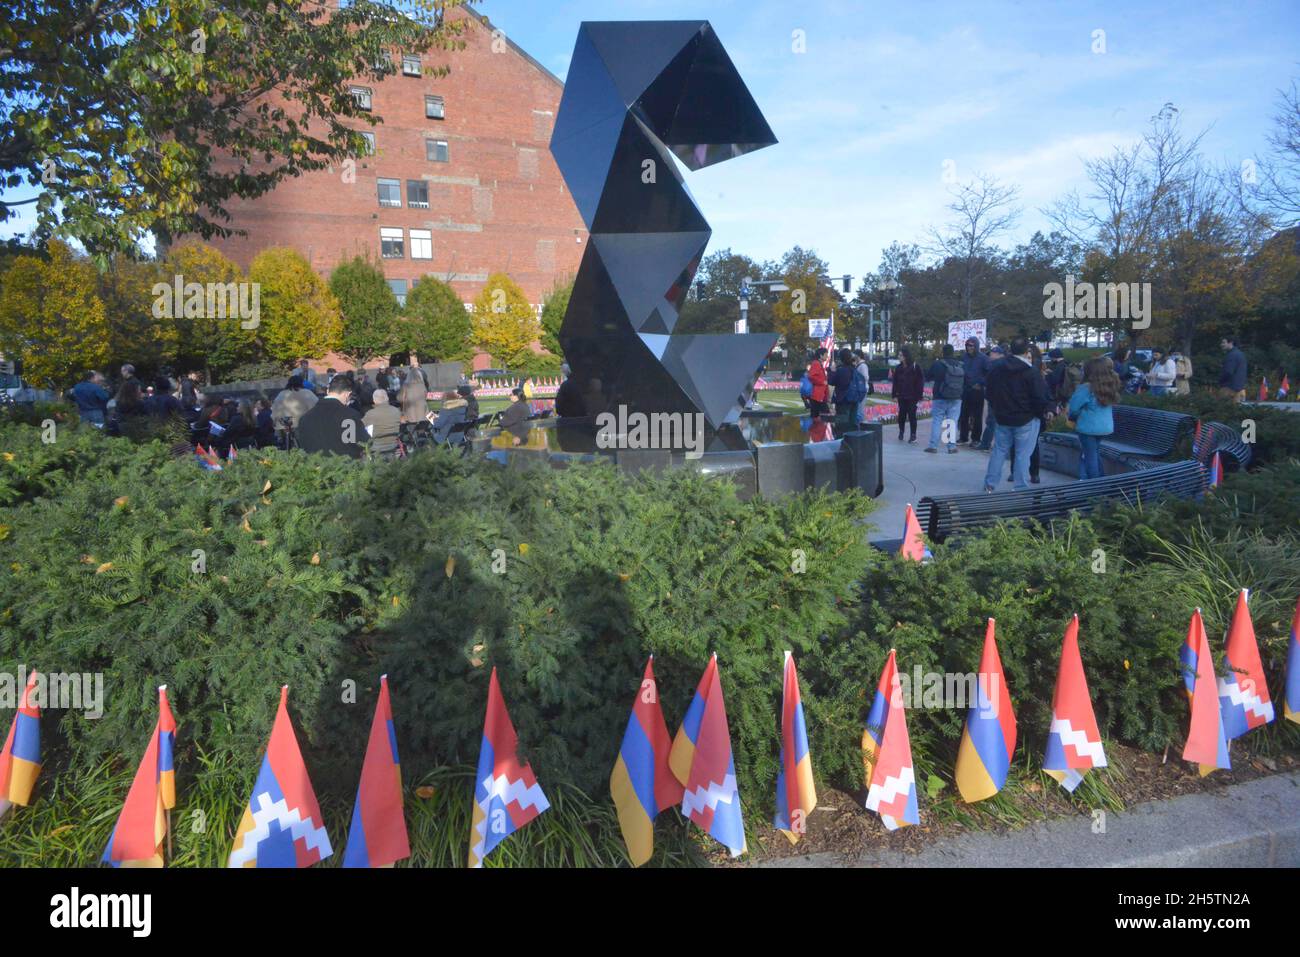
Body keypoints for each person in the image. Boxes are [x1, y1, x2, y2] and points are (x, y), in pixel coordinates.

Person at [983, 337, 1050, 492]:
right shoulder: (1031, 372)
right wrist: (1039, 414)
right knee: (1022, 455)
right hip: (1026, 419)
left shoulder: (997, 369)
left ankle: (989, 484)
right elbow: (1040, 397)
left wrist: (997, 408)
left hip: (1003, 417)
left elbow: (990, 391)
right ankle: (1020, 488)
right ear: (1027, 352)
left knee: (999, 452)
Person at [1068, 356, 1121, 480]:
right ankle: (1101, 480)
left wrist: (1073, 417)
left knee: (1090, 456)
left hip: (1088, 428)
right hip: (1105, 427)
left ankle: (1095, 487)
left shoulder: (1086, 388)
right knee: (1095, 454)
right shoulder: (1109, 385)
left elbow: (1074, 407)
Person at [296, 376, 367, 459]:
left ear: (327, 391)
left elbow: (304, 446)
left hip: (314, 468)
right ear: (347, 394)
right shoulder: (350, 415)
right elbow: (362, 443)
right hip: (345, 467)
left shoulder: (305, 418)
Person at [924, 343, 964, 454]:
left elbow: (928, 377)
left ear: (943, 352)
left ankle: (933, 446)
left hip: (940, 397)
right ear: (953, 352)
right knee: (952, 422)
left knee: (937, 421)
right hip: (956, 397)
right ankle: (951, 447)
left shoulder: (937, 364)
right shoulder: (960, 365)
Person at [958, 337, 991, 445]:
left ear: (976, 346)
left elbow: (989, 374)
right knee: (963, 414)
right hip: (965, 390)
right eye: (967, 345)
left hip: (977, 390)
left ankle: (976, 438)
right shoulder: (964, 357)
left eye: (971, 345)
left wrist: (981, 383)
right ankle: (963, 437)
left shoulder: (984, 358)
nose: (969, 347)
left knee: (977, 416)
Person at [270, 374, 319, 442]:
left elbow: (273, 411)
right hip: (301, 429)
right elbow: (317, 408)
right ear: (301, 383)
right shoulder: (306, 393)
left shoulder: (281, 394)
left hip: (281, 429)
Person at [891, 347, 924, 443]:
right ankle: (901, 431)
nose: (899, 356)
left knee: (912, 415)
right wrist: (894, 395)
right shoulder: (898, 368)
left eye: (901, 355)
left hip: (912, 396)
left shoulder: (915, 367)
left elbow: (920, 382)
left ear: (906, 356)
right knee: (902, 414)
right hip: (902, 395)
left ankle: (913, 435)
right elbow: (895, 382)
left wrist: (919, 396)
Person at [977, 344, 1006, 451]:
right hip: (1002, 397)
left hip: (994, 396)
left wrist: (980, 381)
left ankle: (985, 444)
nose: (990, 356)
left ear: (999, 354)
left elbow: (988, 380)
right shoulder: (1006, 364)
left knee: (991, 421)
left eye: (992, 353)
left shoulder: (994, 365)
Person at [362, 387, 402, 458]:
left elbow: (360, 426)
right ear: (387, 398)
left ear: (374, 400)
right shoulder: (396, 411)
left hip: (376, 446)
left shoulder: (371, 413)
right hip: (393, 445)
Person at [831, 349, 865, 427]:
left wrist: (832, 371)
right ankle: (853, 437)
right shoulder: (854, 369)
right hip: (854, 398)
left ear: (841, 358)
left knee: (842, 422)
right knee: (852, 421)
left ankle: (843, 437)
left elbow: (832, 381)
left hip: (843, 399)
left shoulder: (841, 370)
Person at [399, 356, 429, 422]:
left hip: (410, 410)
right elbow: (426, 395)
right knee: (422, 424)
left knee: (412, 425)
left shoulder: (406, 385)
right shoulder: (422, 385)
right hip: (422, 409)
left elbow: (400, 398)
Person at [1218, 336, 1247, 402]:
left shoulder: (1231, 355)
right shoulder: (1241, 354)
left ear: (1231, 343)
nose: (1221, 344)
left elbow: (1228, 372)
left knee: (1223, 409)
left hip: (1229, 388)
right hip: (1240, 388)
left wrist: (1221, 381)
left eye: (1223, 342)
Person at [806, 347, 830, 416]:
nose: (827, 356)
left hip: (819, 395)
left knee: (820, 417)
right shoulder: (816, 363)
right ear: (820, 355)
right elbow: (811, 376)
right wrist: (822, 382)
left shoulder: (818, 364)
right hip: (817, 396)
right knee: (822, 416)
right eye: (826, 354)